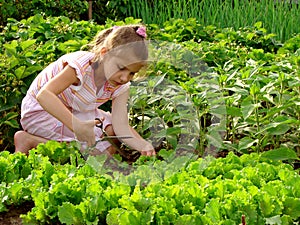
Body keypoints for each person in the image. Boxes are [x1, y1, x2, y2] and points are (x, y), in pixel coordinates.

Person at [14, 24, 156, 157]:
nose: (125, 77)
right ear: (105, 53)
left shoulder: (120, 86)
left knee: (112, 131)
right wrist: (76, 126)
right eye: (121, 68)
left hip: (75, 110)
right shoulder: (81, 66)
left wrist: (142, 144)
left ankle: (77, 142)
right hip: (42, 112)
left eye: (132, 73)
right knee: (92, 154)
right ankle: (29, 141)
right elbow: (44, 95)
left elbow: (121, 124)